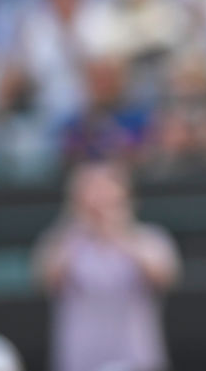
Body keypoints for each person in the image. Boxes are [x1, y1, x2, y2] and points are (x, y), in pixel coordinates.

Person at [33, 159, 181, 371]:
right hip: (80, 360)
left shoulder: (150, 237)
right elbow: (46, 279)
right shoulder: (61, 240)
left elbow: (164, 277)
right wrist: (77, 224)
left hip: (137, 358)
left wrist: (118, 231)